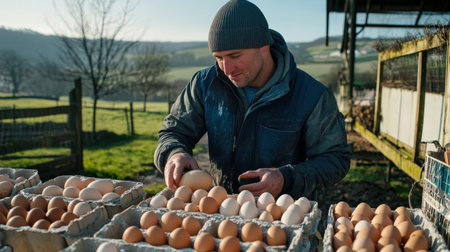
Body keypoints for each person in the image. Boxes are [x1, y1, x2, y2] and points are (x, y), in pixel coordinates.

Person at [154, 0, 352, 199]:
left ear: (264, 46)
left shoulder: (312, 96)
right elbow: (174, 130)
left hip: (284, 218)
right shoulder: (205, 84)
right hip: (221, 214)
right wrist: (175, 153)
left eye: (235, 55)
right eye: (219, 57)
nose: (226, 69)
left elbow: (336, 159)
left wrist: (287, 177)